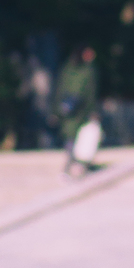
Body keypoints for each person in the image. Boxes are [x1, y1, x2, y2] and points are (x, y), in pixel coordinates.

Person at [56, 44, 99, 174]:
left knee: (75, 136)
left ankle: (74, 163)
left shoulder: (70, 69)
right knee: (74, 136)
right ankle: (74, 164)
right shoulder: (85, 71)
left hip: (73, 108)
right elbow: (89, 93)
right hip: (76, 109)